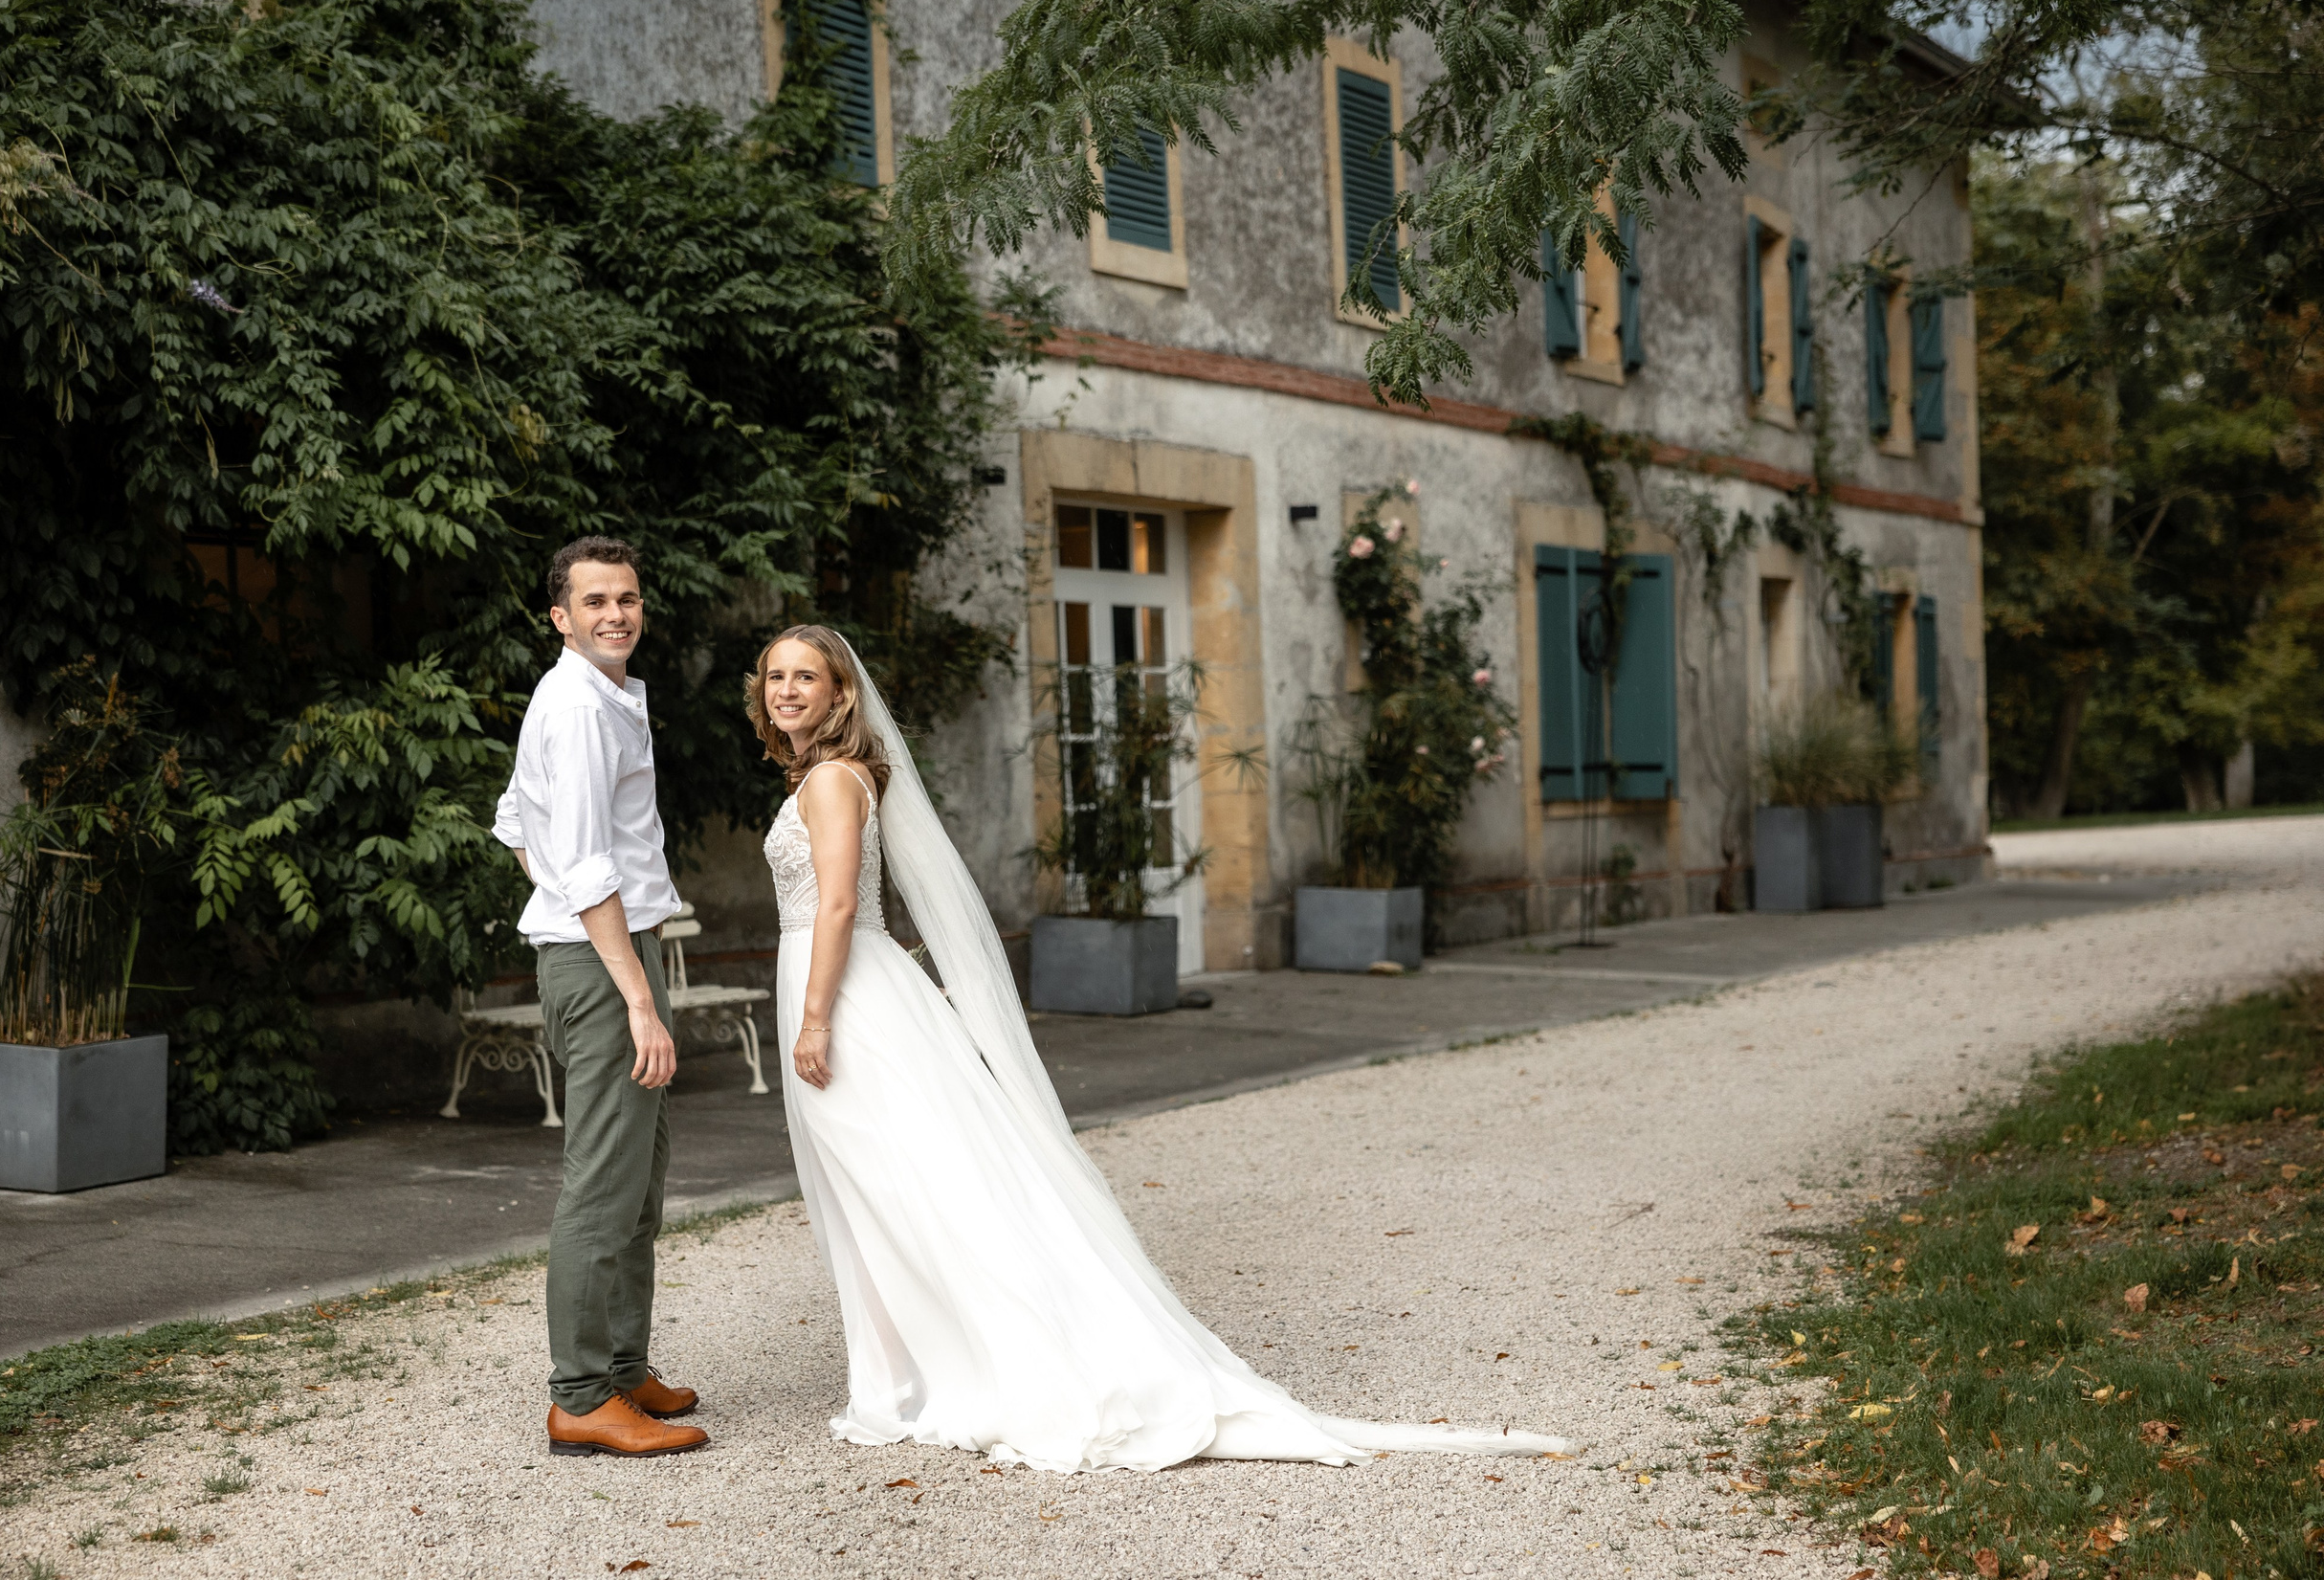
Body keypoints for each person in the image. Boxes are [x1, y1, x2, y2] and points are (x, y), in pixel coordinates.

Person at [747, 623, 1576, 1472]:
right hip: (841, 987)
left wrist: (816, 1019)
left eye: (805, 676)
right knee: (878, 1190)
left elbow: (842, 905)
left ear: (841, 693)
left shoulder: (833, 782)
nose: (787, 690)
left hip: (847, 996)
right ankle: (898, 1378)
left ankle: (946, 1376)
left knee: (902, 1187)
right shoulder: (822, 775)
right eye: (775, 676)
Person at [495, 536, 708, 1459]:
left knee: (639, 1182)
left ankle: (622, 1369)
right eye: (594, 602)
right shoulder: (576, 705)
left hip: (611, 950)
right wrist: (637, 998)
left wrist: (572, 903)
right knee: (601, 1185)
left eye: (626, 597)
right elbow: (581, 864)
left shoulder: (604, 694)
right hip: (600, 963)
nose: (614, 613)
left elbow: (515, 823)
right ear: (560, 615)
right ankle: (579, 1395)